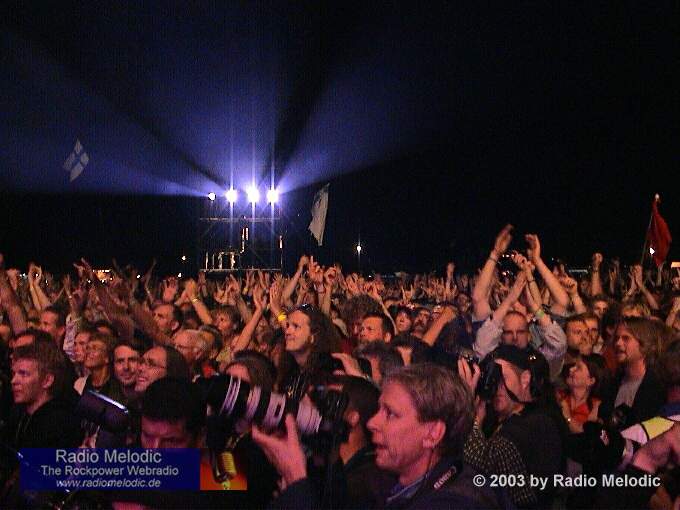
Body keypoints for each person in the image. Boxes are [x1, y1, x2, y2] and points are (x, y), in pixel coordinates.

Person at [252, 363, 508, 509]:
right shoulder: (399, 484)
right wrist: (322, 459)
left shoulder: (455, 503)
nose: (372, 422)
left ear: (433, 433)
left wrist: (295, 480)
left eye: (391, 414)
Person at [463, 344, 563, 508]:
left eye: (500, 376)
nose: (495, 385)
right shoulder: (497, 418)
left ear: (525, 379)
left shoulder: (540, 422)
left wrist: (469, 411)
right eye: (491, 377)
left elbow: (483, 466)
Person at [599, 317, 665, 427]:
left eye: (626, 338)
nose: (618, 343)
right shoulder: (612, 382)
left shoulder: (658, 385)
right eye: (616, 338)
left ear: (644, 343)